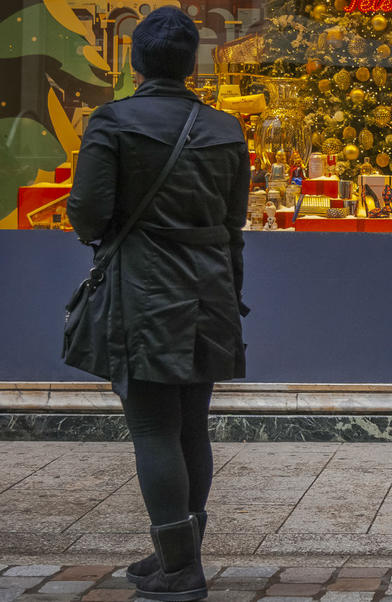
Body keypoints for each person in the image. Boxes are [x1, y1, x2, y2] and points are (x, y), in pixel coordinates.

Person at [67, 6, 249, 601]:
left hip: (144, 290)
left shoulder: (112, 123)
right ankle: (178, 551)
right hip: (210, 289)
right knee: (190, 422)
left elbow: (88, 216)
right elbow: (233, 224)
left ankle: (180, 569)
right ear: (190, 62)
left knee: (152, 424)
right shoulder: (226, 128)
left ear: (137, 61)